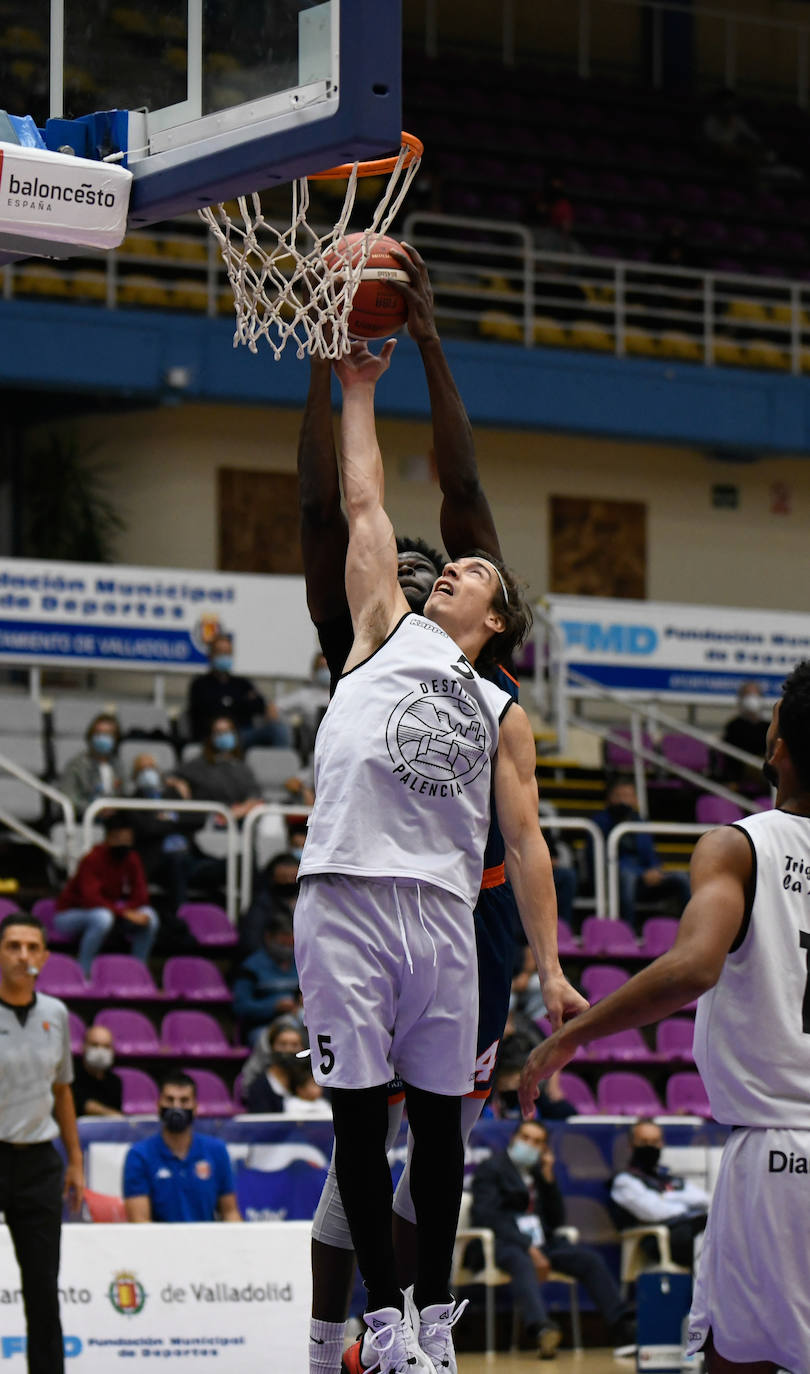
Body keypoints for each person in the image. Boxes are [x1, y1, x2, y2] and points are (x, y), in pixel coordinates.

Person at [297, 246, 585, 1374]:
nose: (453, 562)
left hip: (445, 915)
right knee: (361, 1131)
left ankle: (422, 1318)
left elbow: (527, 839)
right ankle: (373, 1322)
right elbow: (360, 495)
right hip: (351, 897)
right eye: (449, 563)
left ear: (497, 615)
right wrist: (356, 381)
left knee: (441, 1131)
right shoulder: (383, 627)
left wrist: (551, 961)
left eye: (470, 568)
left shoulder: (497, 702)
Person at [519, 658, 810, 1372]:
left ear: (775, 745)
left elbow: (691, 967)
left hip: (779, 1155)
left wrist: (574, 1034)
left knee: (729, 1359)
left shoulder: (741, 844)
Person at [0, 913, 83, 1374]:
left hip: (38, 1163)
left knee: (42, 1289)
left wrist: (74, 1161)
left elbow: (63, 1091)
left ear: (45, 957)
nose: (23, 955)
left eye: (32, 947)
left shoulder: (56, 1014)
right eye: (13, 945)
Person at [471, 1121, 632, 1357]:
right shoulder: (491, 1168)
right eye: (525, 1138)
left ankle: (622, 1327)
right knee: (521, 1260)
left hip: (541, 1243)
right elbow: (487, 1216)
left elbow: (556, 1221)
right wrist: (529, 1247)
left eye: (537, 1142)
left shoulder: (538, 1173)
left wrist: (548, 1180)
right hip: (503, 1243)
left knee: (589, 1260)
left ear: (544, 1148)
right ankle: (542, 1329)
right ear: (514, 1138)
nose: (529, 1145)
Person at [123, 1070, 241, 1222]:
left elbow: (230, 1213)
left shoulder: (217, 1151)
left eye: (184, 1101)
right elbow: (140, 1222)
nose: (176, 1107)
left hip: (207, 1242)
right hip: (159, 1243)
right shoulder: (139, 1155)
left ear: (196, 1107)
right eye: (169, 1100)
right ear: (158, 1105)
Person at [54, 812, 160, 976]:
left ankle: (138, 972)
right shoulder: (92, 859)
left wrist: (129, 911)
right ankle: (83, 973)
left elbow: (141, 896)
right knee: (102, 917)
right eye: (118, 838)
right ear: (108, 838)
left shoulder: (131, 858)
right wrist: (124, 912)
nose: (123, 844)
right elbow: (91, 899)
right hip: (70, 915)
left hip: (111, 912)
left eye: (127, 839)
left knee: (150, 917)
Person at [610, 1117, 709, 1270]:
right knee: (705, 1239)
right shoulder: (625, 1181)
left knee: (717, 1232)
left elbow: (704, 1200)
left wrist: (665, 1197)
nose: (650, 1147)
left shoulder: (669, 1178)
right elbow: (655, 1213)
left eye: (655, 1142)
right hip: (658, 1238)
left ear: (662, 1144)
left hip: (690, 1231)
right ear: (631, 1146)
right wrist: (686, 1205)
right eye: (644, 1142)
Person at [592, 778, 690, 929]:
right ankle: (627, 930)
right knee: (627, 877)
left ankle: (689, 929)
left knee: (682, 878)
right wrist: (641, 873)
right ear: (610, 798)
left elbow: (650, 853)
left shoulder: (641, 822)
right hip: (615, 880)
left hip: (645, 879)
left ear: (636, 799)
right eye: (619, 795)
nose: (624, 800)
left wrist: (655, 869)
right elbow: (601, 860)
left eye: (628, 795)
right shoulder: (600, 823)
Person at [128, 751, 205, 915]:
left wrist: (183, 803)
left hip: (189, 858)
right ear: (134, 777)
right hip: (158, 863)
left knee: (236, 862)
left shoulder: (173, 794)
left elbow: (198, 819)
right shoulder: (133, 800)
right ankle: (183, 919)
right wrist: (177, 820)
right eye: (142, 770)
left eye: (151, 768)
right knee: (177, 862)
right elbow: (149, 828)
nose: (148, 773)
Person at [187, 632, 291, 748]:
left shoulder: (242, 683)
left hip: (242, 735)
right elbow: (209, 711)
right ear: (210, 655)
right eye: (220, 652)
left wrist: (268, 706)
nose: (224, 656)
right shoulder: (200, 684)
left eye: (227, 653)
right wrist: (241, 702)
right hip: (213, 735)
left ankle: (279, 764)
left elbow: (259, 705)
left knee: (278, 728)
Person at [232, 913, 300, 1044]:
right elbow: (240, 1007)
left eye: (291, 942)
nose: (287, 947)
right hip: (264, 1027)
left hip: (297, 1024)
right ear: (269, 937)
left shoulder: (302, 965)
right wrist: (274, 1006)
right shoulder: (251, 967)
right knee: (269, 1040)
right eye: (283, 941)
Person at [58, 711, 124, 817]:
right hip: (86, 817)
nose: (103, 738)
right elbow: (68, 798)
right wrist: (95, 809)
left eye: (108, 734)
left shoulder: (118, 765)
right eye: (99, 734)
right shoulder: (76, 765)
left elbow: (125, 792)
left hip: (116, 816)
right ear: (91, 736)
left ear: (115, 739)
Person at [238, 850, 300, 958]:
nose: (289, 882)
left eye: (293, 878)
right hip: (271, 963)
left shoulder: (305, 902)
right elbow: (252, 942)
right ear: (272, 878)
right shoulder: (262, 904)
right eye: (284, 878)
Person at [239, 1015, 306, 1109]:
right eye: (283, 1044)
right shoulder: (259, 1086)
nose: (288, 1050)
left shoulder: (310, 1081)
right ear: (272, 1047)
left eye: (294, 1045)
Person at [717, 681, 769, 789]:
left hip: (764, 773)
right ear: (741, 699)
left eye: (755, 695)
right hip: (740, 773)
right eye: (748, 695)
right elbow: (729, 756)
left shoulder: (768, 726)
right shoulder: (734, 726)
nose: (752, 699)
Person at [71, 1023, 123, 1118]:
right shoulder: (71, 1078)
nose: (100, 1051)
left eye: (106, 1047)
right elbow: (85, 1106)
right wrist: (112, 1114)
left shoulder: (115, 1081)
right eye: (95, 1045)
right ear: (83, 1047)